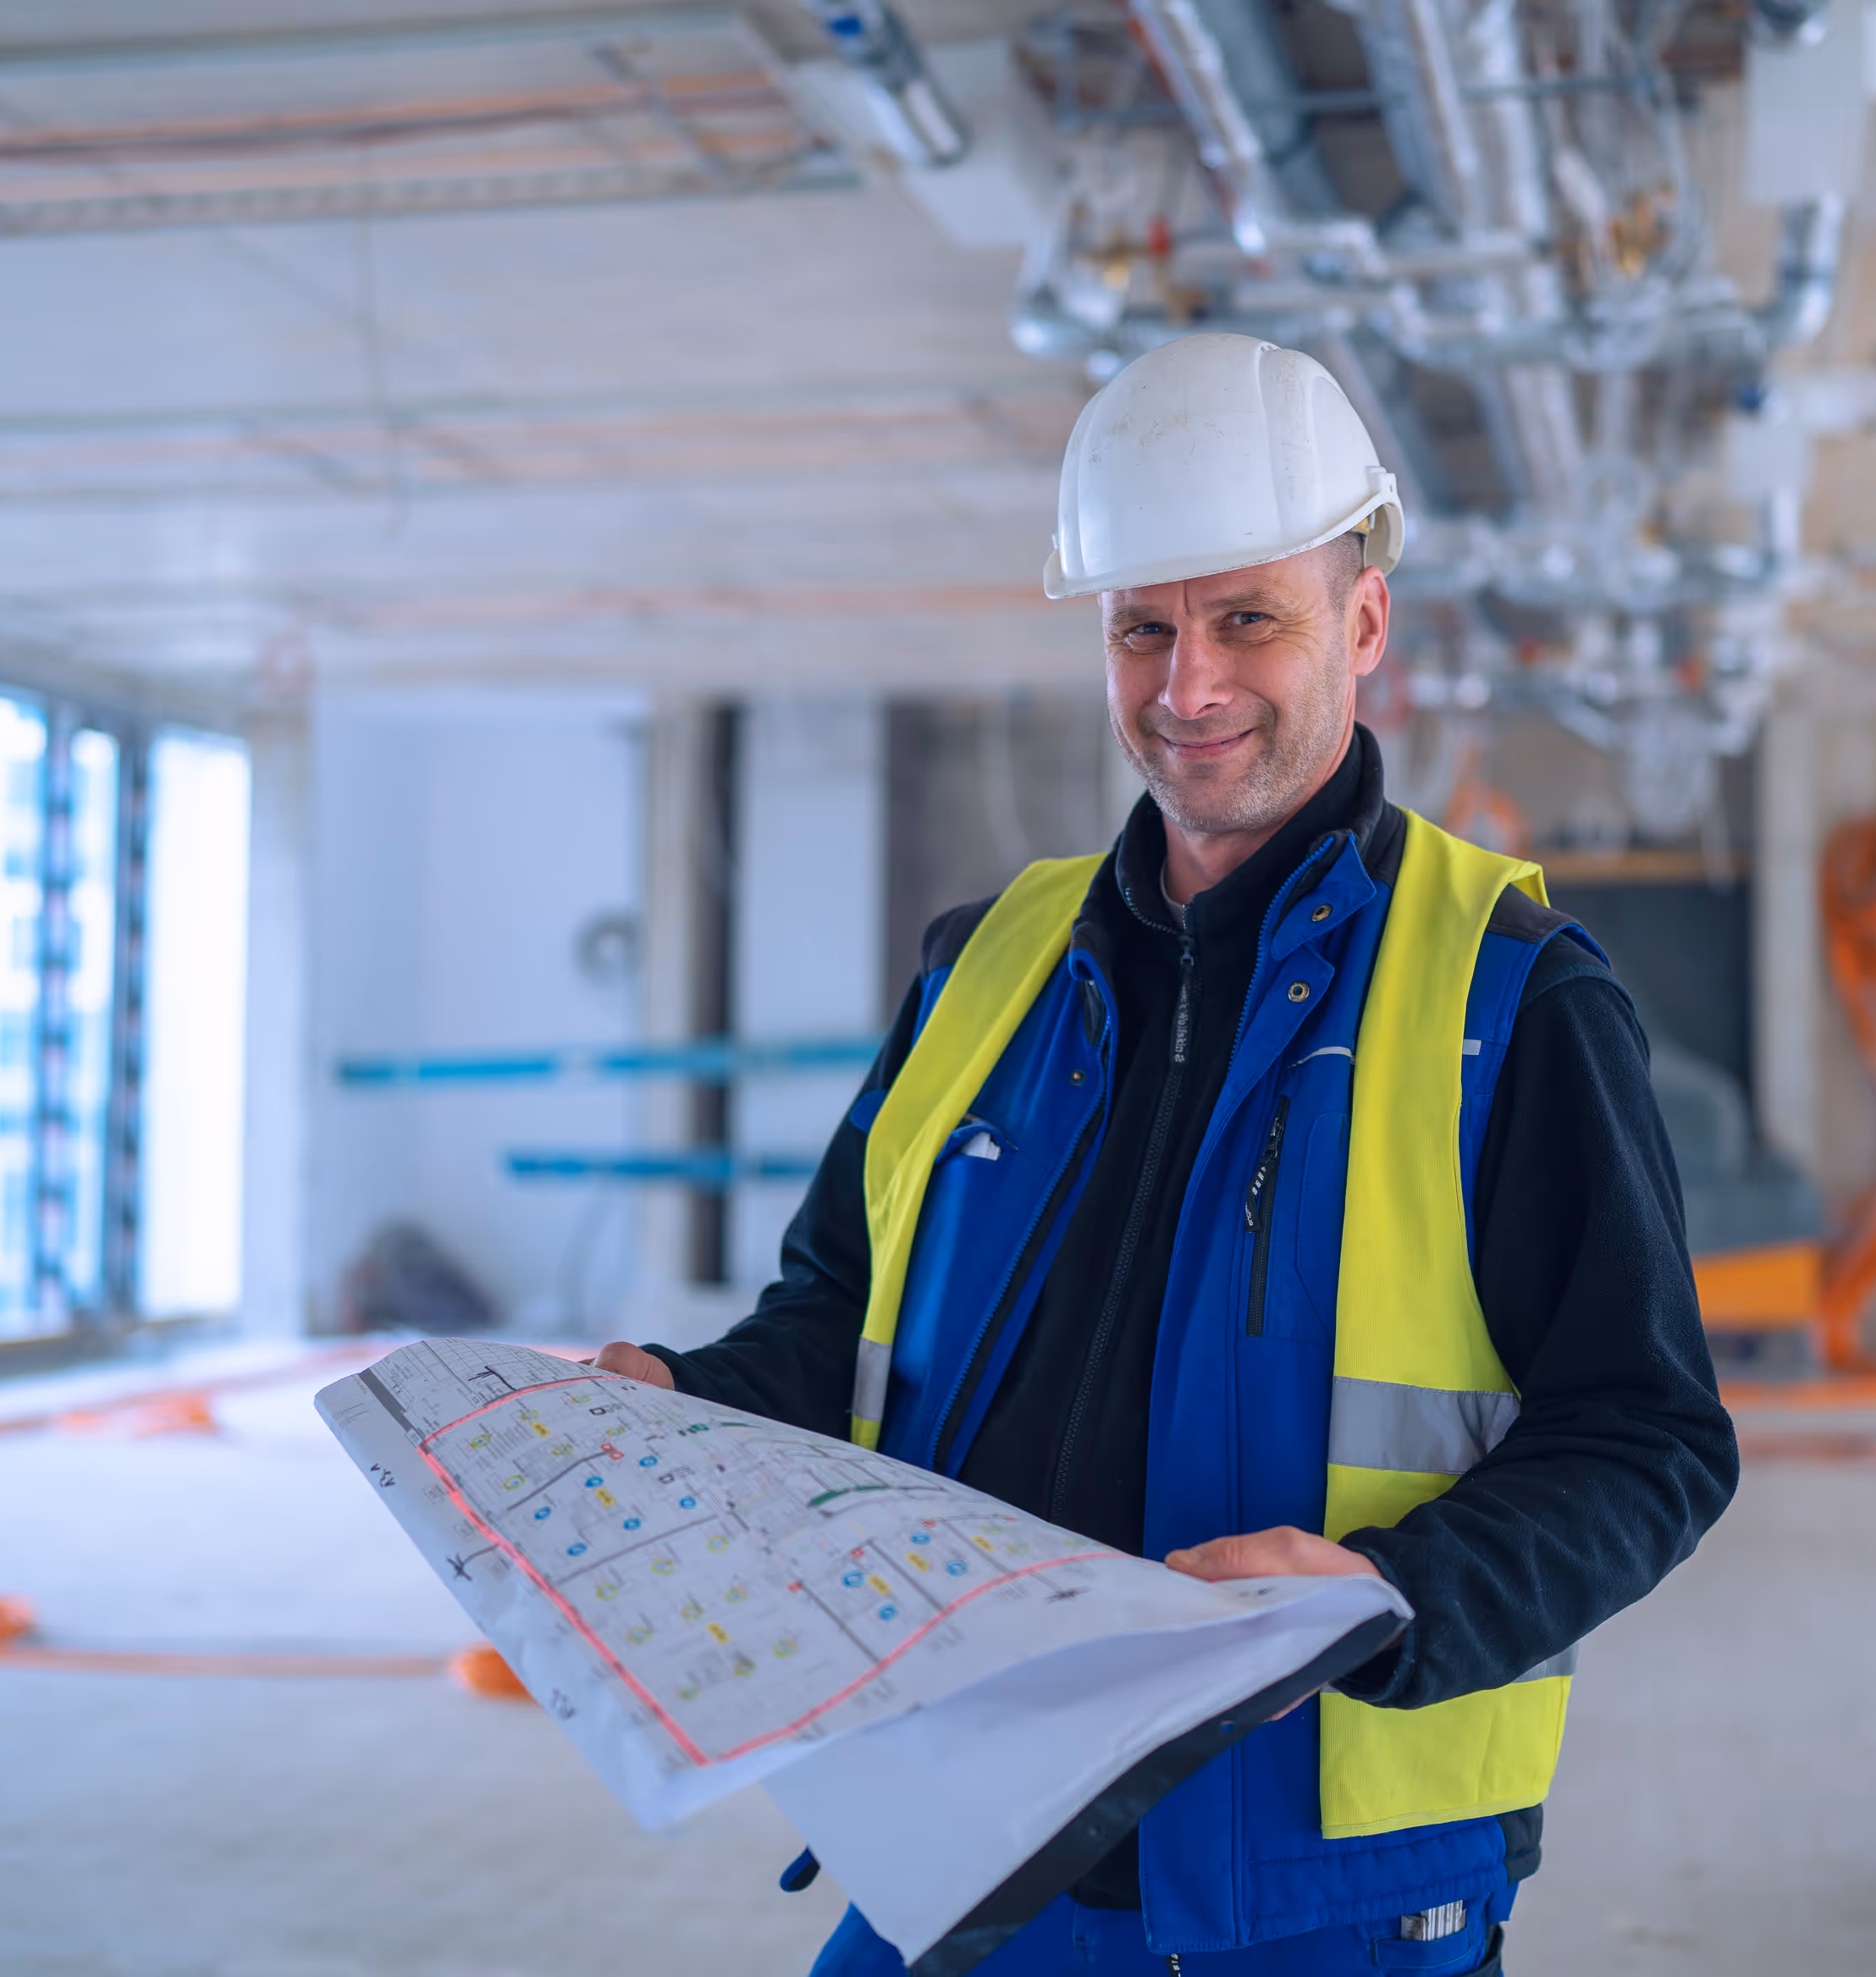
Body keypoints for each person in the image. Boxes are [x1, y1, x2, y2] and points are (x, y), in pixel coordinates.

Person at [598, 332, 1735, 1975]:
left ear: (1360, 622)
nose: (1186, 687)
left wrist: (1387, 1589)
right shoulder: (982, 961)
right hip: (962, 1838)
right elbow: (829, 1323)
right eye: (1144, 627)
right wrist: (684, 1406)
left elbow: (1648, 1444)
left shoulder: (1508, 993)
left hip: (1313, 1891)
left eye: (1246, 620)